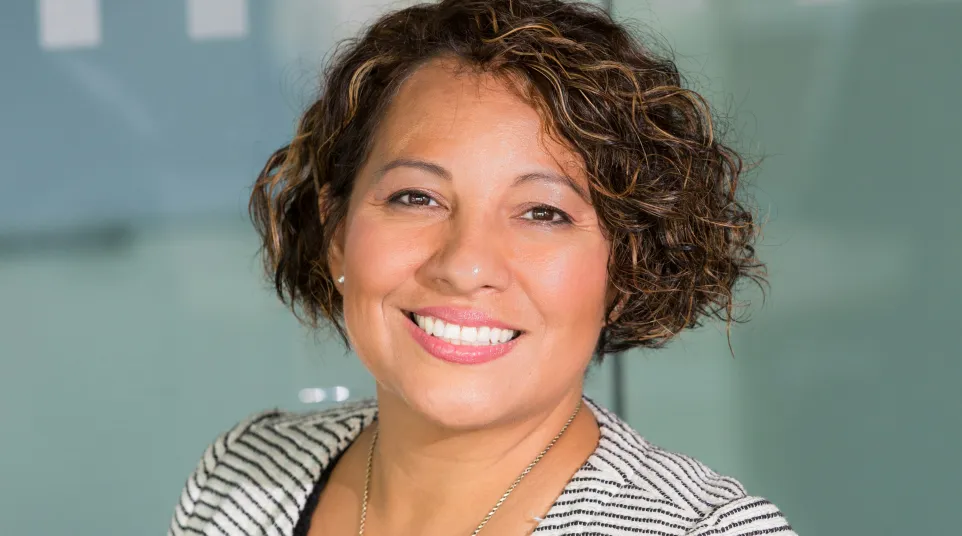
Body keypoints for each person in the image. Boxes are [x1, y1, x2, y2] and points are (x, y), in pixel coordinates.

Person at [168, 0, 795, 534]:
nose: (464, 265)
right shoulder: (240, 479)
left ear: (627, 268)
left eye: (542, 213)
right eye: (417, 198)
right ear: (336, 231)